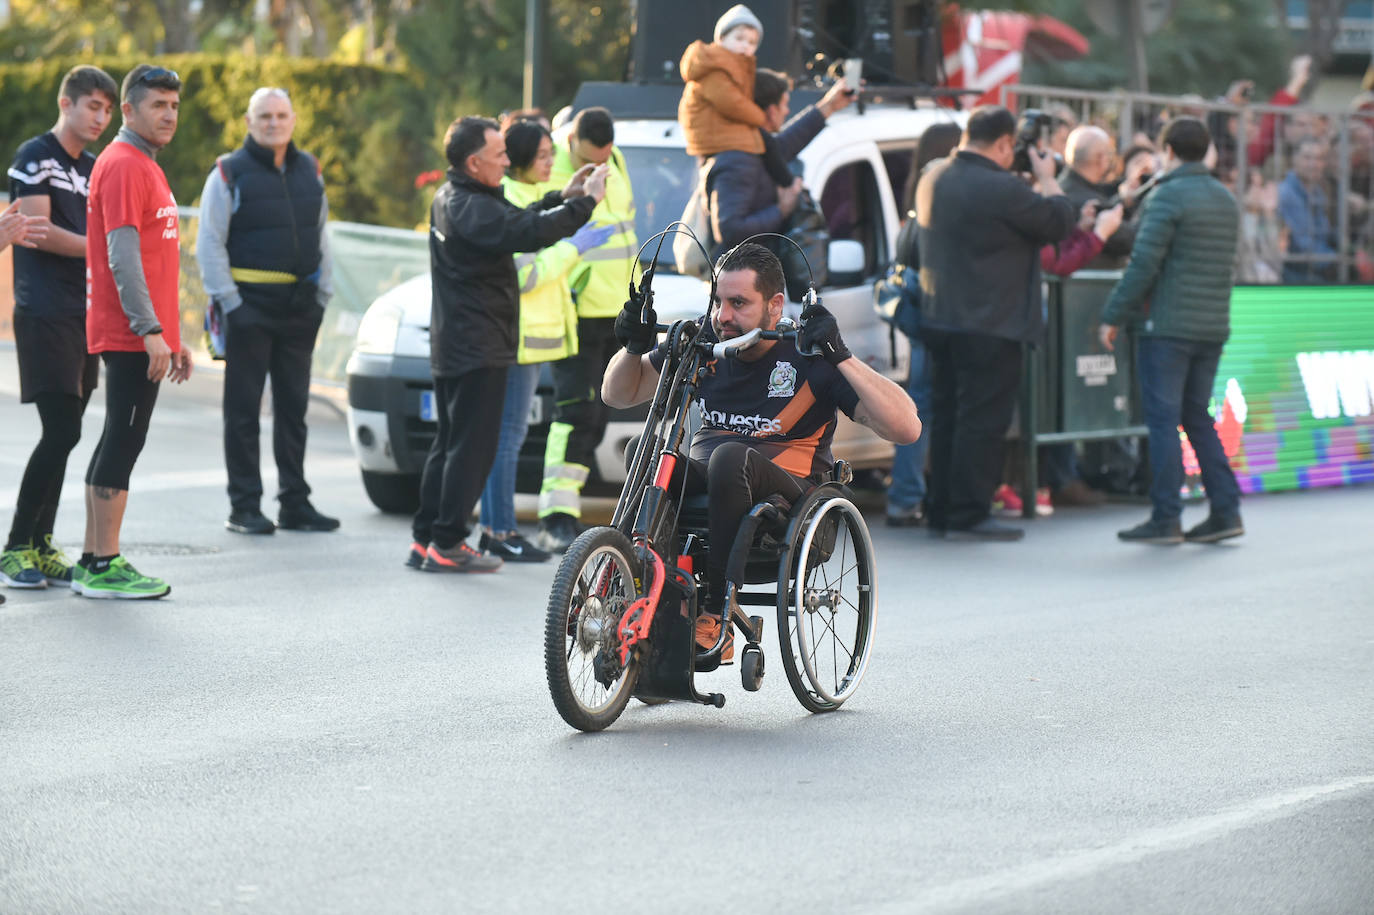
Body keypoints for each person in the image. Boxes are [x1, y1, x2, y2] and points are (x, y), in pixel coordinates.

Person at [603, 243, 919, 658]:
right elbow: (617, 394)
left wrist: (839, 354)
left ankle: (717, 611)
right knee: (643, 453)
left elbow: (907, 428)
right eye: (718, 301)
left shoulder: (808, 355)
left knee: (730, 456)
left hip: (789, 495)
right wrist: (631, 347)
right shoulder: (704, 341)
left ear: (775, 305)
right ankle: (643, 594)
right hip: (712, 476)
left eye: (738, 303)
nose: (723, 316)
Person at [409, 116, 605, 574]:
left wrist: (563, 197)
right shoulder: (470, 206)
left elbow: (516, 218)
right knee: (470, 448)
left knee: (450, 443)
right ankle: (448, 541)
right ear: (474, 162)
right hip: (478, 346)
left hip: (461, 343)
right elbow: (526, 234)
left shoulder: (460, 197)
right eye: (498, 156)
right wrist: (587, 206)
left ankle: (426, 539)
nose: (505, 162)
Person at [915, 105, 1076, 541]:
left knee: (948, 415)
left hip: (940, 316)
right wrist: (1045, 178)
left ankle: (942, 509)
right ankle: (969, 512)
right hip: (989, 322)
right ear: (1005, 143)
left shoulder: (934, 177)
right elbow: (1060, 220)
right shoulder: (1001, 187)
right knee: (982, 421)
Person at [195, 87, 338, 536]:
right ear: (249, 121)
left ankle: (295, 503)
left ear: (293, 119)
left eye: (280, 115)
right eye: (264, 116)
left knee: (294, 410)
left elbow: (322, 235)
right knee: (242, 412)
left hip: (300, 309)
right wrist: (231, 303)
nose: (273, 123)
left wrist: (322, 296)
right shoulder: (227, 172)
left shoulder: (310, 170)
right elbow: (209, 243)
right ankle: (244, 507)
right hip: (248, 310)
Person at [475, 119, 615, 564]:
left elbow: (539, 219)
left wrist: (565, 200)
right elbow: (527, 274)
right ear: (516, 161)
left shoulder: (522, 197)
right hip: (518, 339)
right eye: (543, 156)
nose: (551, 162)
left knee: (507, 436)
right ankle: (500, 531)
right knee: (506, 437)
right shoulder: (511, 199)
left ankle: (501, 530)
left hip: (527, 341)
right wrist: (576, 246)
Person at [79, 63, 195, 598]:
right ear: (129, 110)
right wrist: (150, 329)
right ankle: (105, 565)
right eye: (158, 105)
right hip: (128, 332)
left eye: (174, 105)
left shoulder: (145, 163)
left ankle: (90, 560)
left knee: (117, 438)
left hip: (144, 330)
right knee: (124, 440)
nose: (169, 114)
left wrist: (172, 333)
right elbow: (122, 256)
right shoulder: (125, 164)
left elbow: (155, 259)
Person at [1099, 117, 1243, 545]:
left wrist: (1113, 315)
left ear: (1169, 151)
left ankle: (1166, 517)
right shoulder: (1225, 198)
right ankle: (1225, 509)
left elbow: (1144, 263)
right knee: (1197, 418)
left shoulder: (1168, 197)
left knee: (1162, 421)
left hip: (1167, 326)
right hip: (1211, 325)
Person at [1, 65, 116, 592]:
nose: (100, 117)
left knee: (66, 435)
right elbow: (36, 231)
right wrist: (99, 247)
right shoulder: (34, 156)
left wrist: (97, 245)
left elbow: (98, 231)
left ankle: (42, 545)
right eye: (92, 105)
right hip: (44, 309)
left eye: (108, 110)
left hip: (84, 313)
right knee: (62, 430)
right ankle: (15, 547)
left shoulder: (94, 167)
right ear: (65, 102)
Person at [535, 107, 638, 553]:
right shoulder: (551, 165)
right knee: (574, 413)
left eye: (606, 157)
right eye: (589, 159)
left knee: (598, 414)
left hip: (615, 309)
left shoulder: (614, 157)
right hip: (574, 311)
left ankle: (571, 506)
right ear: (571, 137)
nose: (598, 166)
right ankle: (555, 516)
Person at [885, 121, 961, 528]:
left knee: (920, 404)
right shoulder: (942, 185)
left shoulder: (919, 187)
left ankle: (906, 496)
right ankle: (908, 496)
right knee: (925, 405)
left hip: (917, 308)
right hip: (934, 309)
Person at [706, 68, 853, 256]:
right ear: (772, 111)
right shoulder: (739, 158)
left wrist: (830, 105)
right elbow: (730, 229)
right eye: (784, 104)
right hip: (740, 278)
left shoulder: (757, 146)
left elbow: (787, 143)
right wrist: (781, 210)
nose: (787, 111)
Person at [678, 4, 791, 188]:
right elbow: (732, 103)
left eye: (752, 42)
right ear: (721, 38)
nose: (745, 46)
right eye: (739, 38)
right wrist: (760, 117)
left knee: (767, 145)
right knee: (763, 146)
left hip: (724, 134)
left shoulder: (737, 67)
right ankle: (789, 186)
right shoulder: (714, 66)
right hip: (717, 137)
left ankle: (788, 186)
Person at [1277, 137, 1337, 284]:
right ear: (1294, 159)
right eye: (1307, 157)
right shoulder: (1286, 193)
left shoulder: (1318, 192)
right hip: (1296, 275)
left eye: (1319, 158)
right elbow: (1302, 246)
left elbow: (1324, 234)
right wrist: (1339, 260)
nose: (1314, 164)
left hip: (1317, 268)